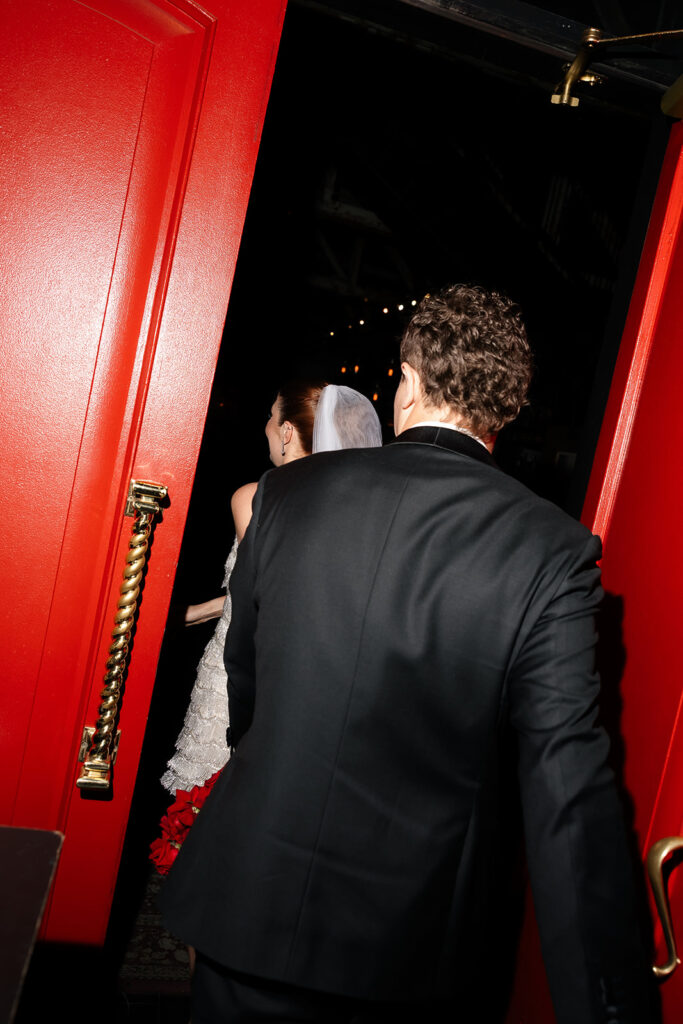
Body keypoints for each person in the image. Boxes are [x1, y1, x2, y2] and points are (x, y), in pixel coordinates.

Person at [160, 284, 655, 1023]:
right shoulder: (552, 550)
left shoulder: (285, 495)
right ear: (506, 411)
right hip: (403, 941)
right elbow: (568, 796)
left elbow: (246, 679)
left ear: (410, 382)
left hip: (250, 892)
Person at [160, 380, 384, 795]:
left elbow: (258, 594)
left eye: (270, 415)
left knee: (207, 795)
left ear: (286, 432)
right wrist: (195, 612)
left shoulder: (253, 498)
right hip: (301, 678)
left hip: (240, 669)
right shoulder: (345, 509)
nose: (265, 425)